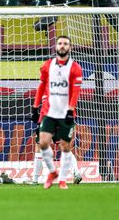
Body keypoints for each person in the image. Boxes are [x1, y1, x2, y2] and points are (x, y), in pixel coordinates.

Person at [32, 35, 82, 190]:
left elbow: (75, 91)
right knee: (42, 143)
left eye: (65, 43)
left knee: (65, 146)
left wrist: (71, 109)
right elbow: (41, 88)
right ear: (56, 46)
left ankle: (71, 174)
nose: (62, 46)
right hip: (47, 113)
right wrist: (35, 108)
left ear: (70, 47)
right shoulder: (47, 67)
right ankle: (39, 177)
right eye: (59, 43)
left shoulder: (75, 68)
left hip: (65, 113)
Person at [28, 95, 82, 185]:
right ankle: (76, 173)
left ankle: (34, 180)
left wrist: (39, 122)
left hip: (49, 119)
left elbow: (45, 107)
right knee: (64, 147)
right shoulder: (65, 87)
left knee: (39, 146)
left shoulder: (47, 87)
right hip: (62, 119)